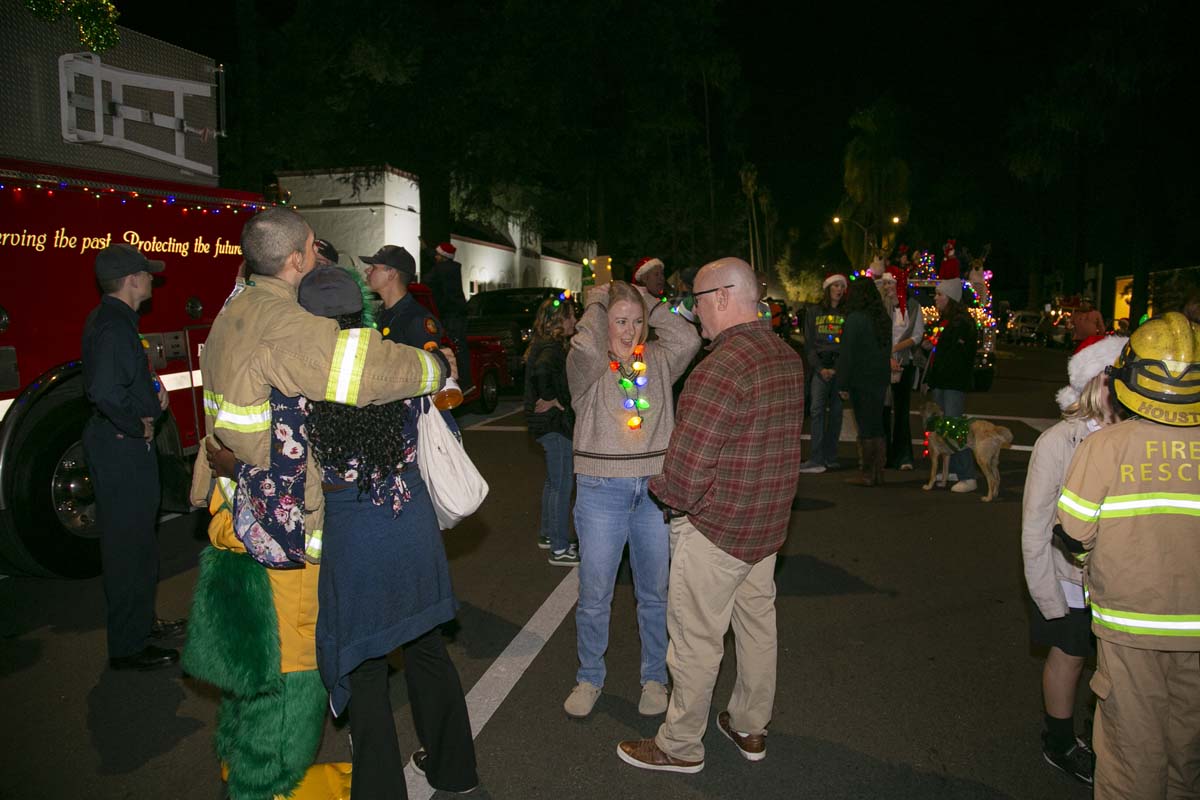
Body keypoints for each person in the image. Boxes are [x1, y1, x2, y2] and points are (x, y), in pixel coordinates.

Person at [186, 208, 452, 800]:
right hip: (284, 529)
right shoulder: (285, 323)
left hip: (239, 511)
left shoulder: (234, 308)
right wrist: (434, 366)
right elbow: (364, 372)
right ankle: (267, 785)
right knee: (292, 672)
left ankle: (243, 771)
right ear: (294, 258)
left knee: (252, 668)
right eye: (311, 247)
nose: (316, 254)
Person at [616, 257, 804, 773]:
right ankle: (750, 725)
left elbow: (687, 471)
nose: (693, 311)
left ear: (722, 297)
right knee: (757, 630)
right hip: (765, 528)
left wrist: (662, 493)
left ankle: (679, 745)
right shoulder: (786, 357)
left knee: (695, 641)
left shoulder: (720, 367)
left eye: (695, 301)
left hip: (717, 529)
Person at [1056, 312, 1200, 799]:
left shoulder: (1107, 446)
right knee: (1187, 751)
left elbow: (1074, 528)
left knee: (1131, 750)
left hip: (1130, 622)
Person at [563, 279, 700, 719]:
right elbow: (585, 345)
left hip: (654, 492)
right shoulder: (588, 366)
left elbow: (689, 338)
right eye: (620, 321)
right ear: (605, 321)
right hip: (601, 490)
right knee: (595, 594)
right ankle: (589, 677)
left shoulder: (657, 359)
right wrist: (597, 301)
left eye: (637, 322)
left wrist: (651, 301)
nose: (630, 331)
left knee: (655, 594)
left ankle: (654, 678)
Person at [1021, 333, 1126, 786]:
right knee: (1070, 656)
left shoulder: (1136, 438)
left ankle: (1106, 737)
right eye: (1113, 376)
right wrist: (1046, 596)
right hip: (1069, 578)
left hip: (1121, 580)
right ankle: (1060, 741)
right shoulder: (1058, 441)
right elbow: (1035, 525)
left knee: (1116, 666)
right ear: (1092, 381)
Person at [81, 243, 184, 671]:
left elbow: (122, 380)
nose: (151, 279)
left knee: (140, 542)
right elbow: (104, 391)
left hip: (120, 446)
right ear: (131, 280)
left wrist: (152, 393)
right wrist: (134, 424)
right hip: (121, 448)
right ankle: (128, 646)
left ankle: (141, 623)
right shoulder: (114, 327)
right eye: (146, 273)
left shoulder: (114, 320)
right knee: (128, 549)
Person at [524, 295, 579, 564]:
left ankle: (548, 534)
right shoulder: (552, 349)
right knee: (562, 485)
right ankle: (559, 547)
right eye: (571, 317)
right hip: (554, 425)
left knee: (553, 482)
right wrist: (554, 399)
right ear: (559, 321)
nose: (575, 321)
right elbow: (543, 372)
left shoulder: (542, 344)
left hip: (544, 425)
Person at [922, 278, 978, 492]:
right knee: (943, 427)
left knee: (953, 426)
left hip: (952, 382)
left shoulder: (962, 323)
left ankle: (968, 475)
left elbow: (958, 356)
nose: (935, 299)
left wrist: (937, 347)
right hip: (942, 381)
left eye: (940, 295)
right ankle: (953, 469)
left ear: (951, 298)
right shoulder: (945, 321)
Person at [836, 277, 892, 486]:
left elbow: (847, 354)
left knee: (865, 427)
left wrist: (842, 383)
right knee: (876, 425)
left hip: (860, 379)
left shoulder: (855, 319)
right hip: (879, 378)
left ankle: (867, 473)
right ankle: (878, 471)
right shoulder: (882, 318)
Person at [798, 273, 847, 474]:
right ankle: (816, 458)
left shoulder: (847, 313)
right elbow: (809, 343)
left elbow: (849, 344)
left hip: (839, 365)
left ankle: (830, 457)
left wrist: (838, 368)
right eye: (835, 286)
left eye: (842, 286)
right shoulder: (814, 312)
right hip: (820, 365)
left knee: (836, 412)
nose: (839, 289)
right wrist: (819, 368)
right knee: (817, 411)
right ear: (828, 289)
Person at [878, 272, 924, 470]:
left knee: (901, 411)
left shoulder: (913, 307)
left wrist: (896, 350)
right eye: (885, 283)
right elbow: (878, 335)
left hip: (905, 362)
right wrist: (888, 356)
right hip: (885, 362)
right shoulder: (881, 307)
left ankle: (903, 456)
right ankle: (884, 456)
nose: (887, 287)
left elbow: (917, 335)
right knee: (883, 409)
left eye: (890, 283)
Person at [426, 241, 473, 392]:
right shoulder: (452, 268)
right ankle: (466, 381)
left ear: (442, 257)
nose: (435, 257)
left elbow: (428, 281)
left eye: (437, 255)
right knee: (460, 346)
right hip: (458, 313)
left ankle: (458, 381)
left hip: (450, 314)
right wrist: (426, 249)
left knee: (453, 347)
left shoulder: (441, 270)